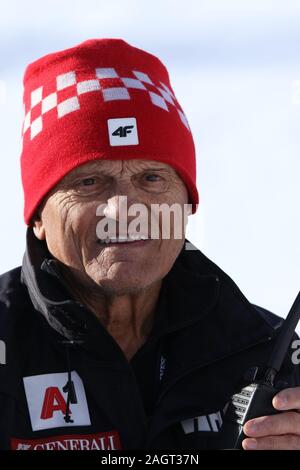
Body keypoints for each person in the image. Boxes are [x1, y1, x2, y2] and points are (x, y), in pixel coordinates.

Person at [0, 38, 300, 451]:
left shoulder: (272, 352)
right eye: (90, 181)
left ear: (187, 202)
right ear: (37, 216)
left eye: (151, 179)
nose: (123, 209)